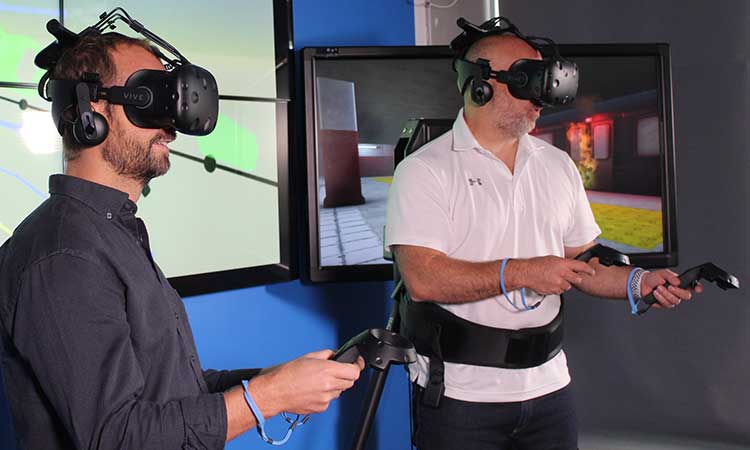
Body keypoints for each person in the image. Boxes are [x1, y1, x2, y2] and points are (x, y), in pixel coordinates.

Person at [0, 33, 363, 450]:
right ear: (92, 107)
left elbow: (168, 394)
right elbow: (115, 437)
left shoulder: (111, 231)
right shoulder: (64, 254)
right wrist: (271, 396)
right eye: (148, 98)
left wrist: (274, 380)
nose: (170, 128)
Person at [385, 30, 700, 450]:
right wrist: (523, 272)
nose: (541, 100)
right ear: (482, 85)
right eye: (529, 84)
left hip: (550, 389)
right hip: (462, 396)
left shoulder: (557, 166)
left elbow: (580, 263)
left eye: (545, 85)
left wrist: (638, 282)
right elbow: (423, 280)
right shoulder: (424, 171)